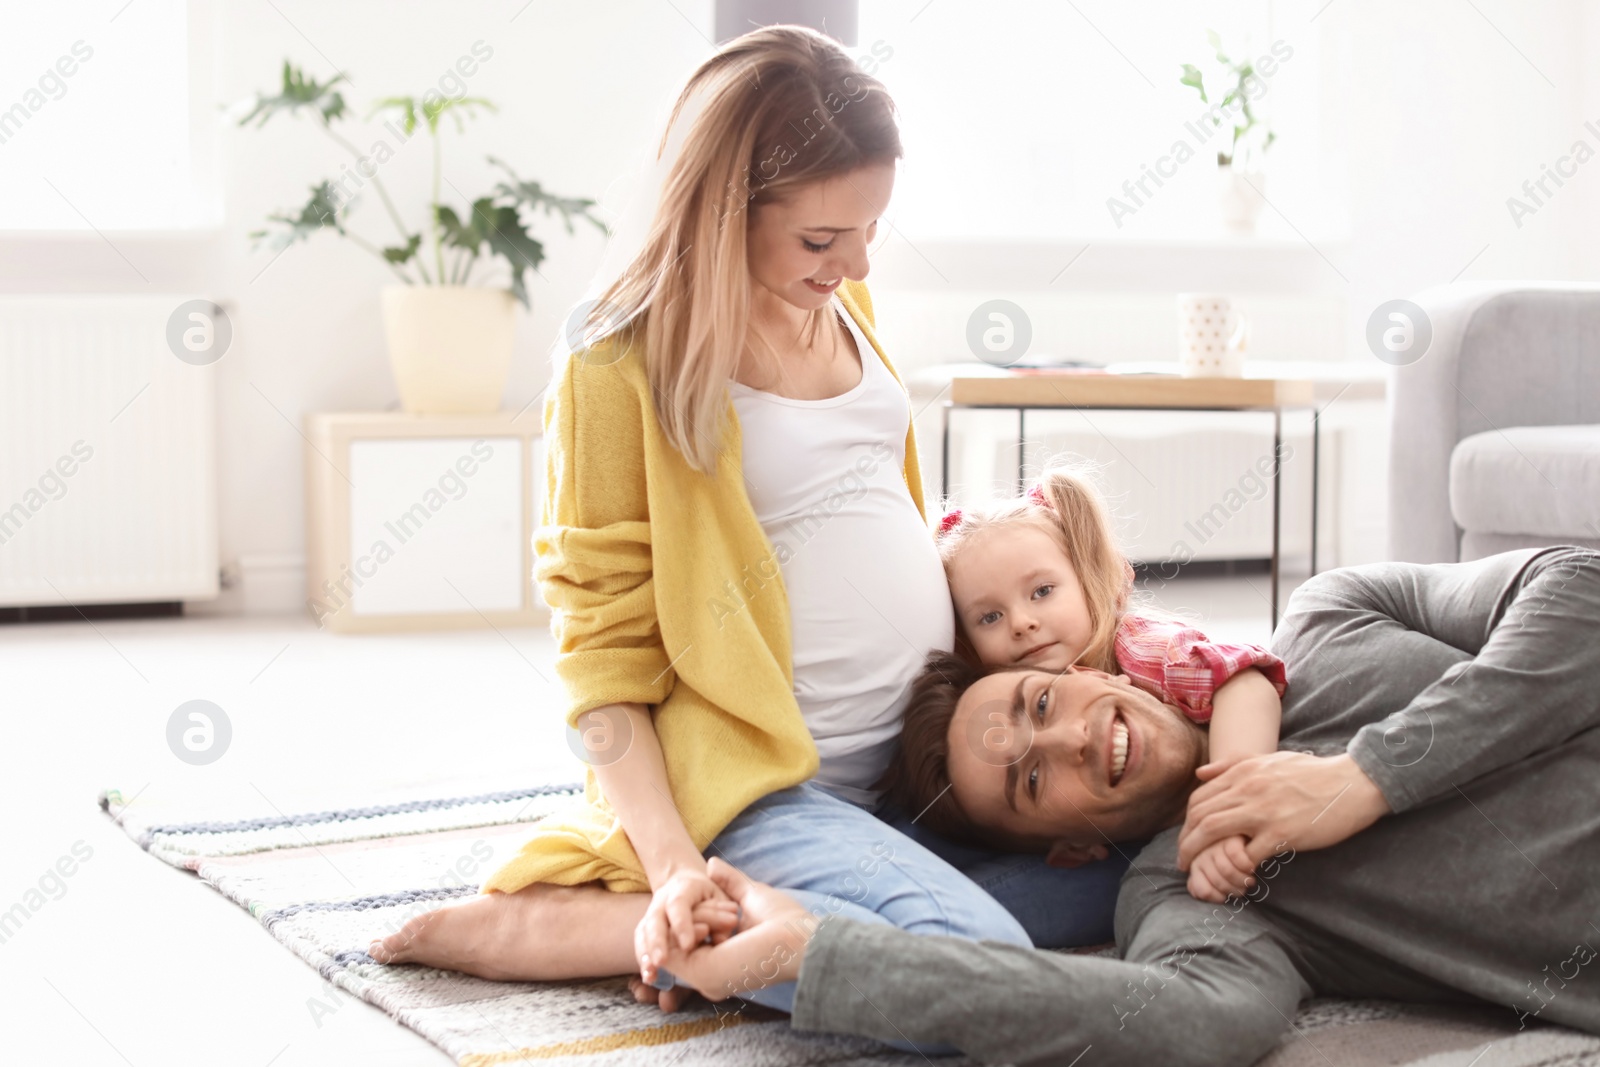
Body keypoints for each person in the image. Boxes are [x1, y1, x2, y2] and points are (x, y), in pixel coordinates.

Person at [366, 25, 1121, 1025]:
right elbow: (600, 653)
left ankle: (734, 927)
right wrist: (676, 859)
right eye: (821, 239)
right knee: (977, 961)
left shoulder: (843, 306)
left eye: (870, 229)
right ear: (723, 208)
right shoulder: (616, 362)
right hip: (765, 787)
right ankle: (621, 919)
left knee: (1129, 869)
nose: (853, 264)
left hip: (909, 768)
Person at [654, 547, 1600, 1065]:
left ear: (1076, 665)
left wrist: (1368, 778)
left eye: (1038, 701)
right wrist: (811, 954)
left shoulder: (1332, 615)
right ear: (1066, 849)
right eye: (1032, 781)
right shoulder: (1183, 892)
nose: (1069, 738)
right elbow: (1195, 1021)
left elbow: (1582, 586)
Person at [893, 465, 1286, 902]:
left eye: (1042, 591)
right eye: (990, 617)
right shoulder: (991, 705)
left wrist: (1228, 811)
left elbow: (1245, 683)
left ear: (1086, 579)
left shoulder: (1140, 647)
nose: (1022, 624)